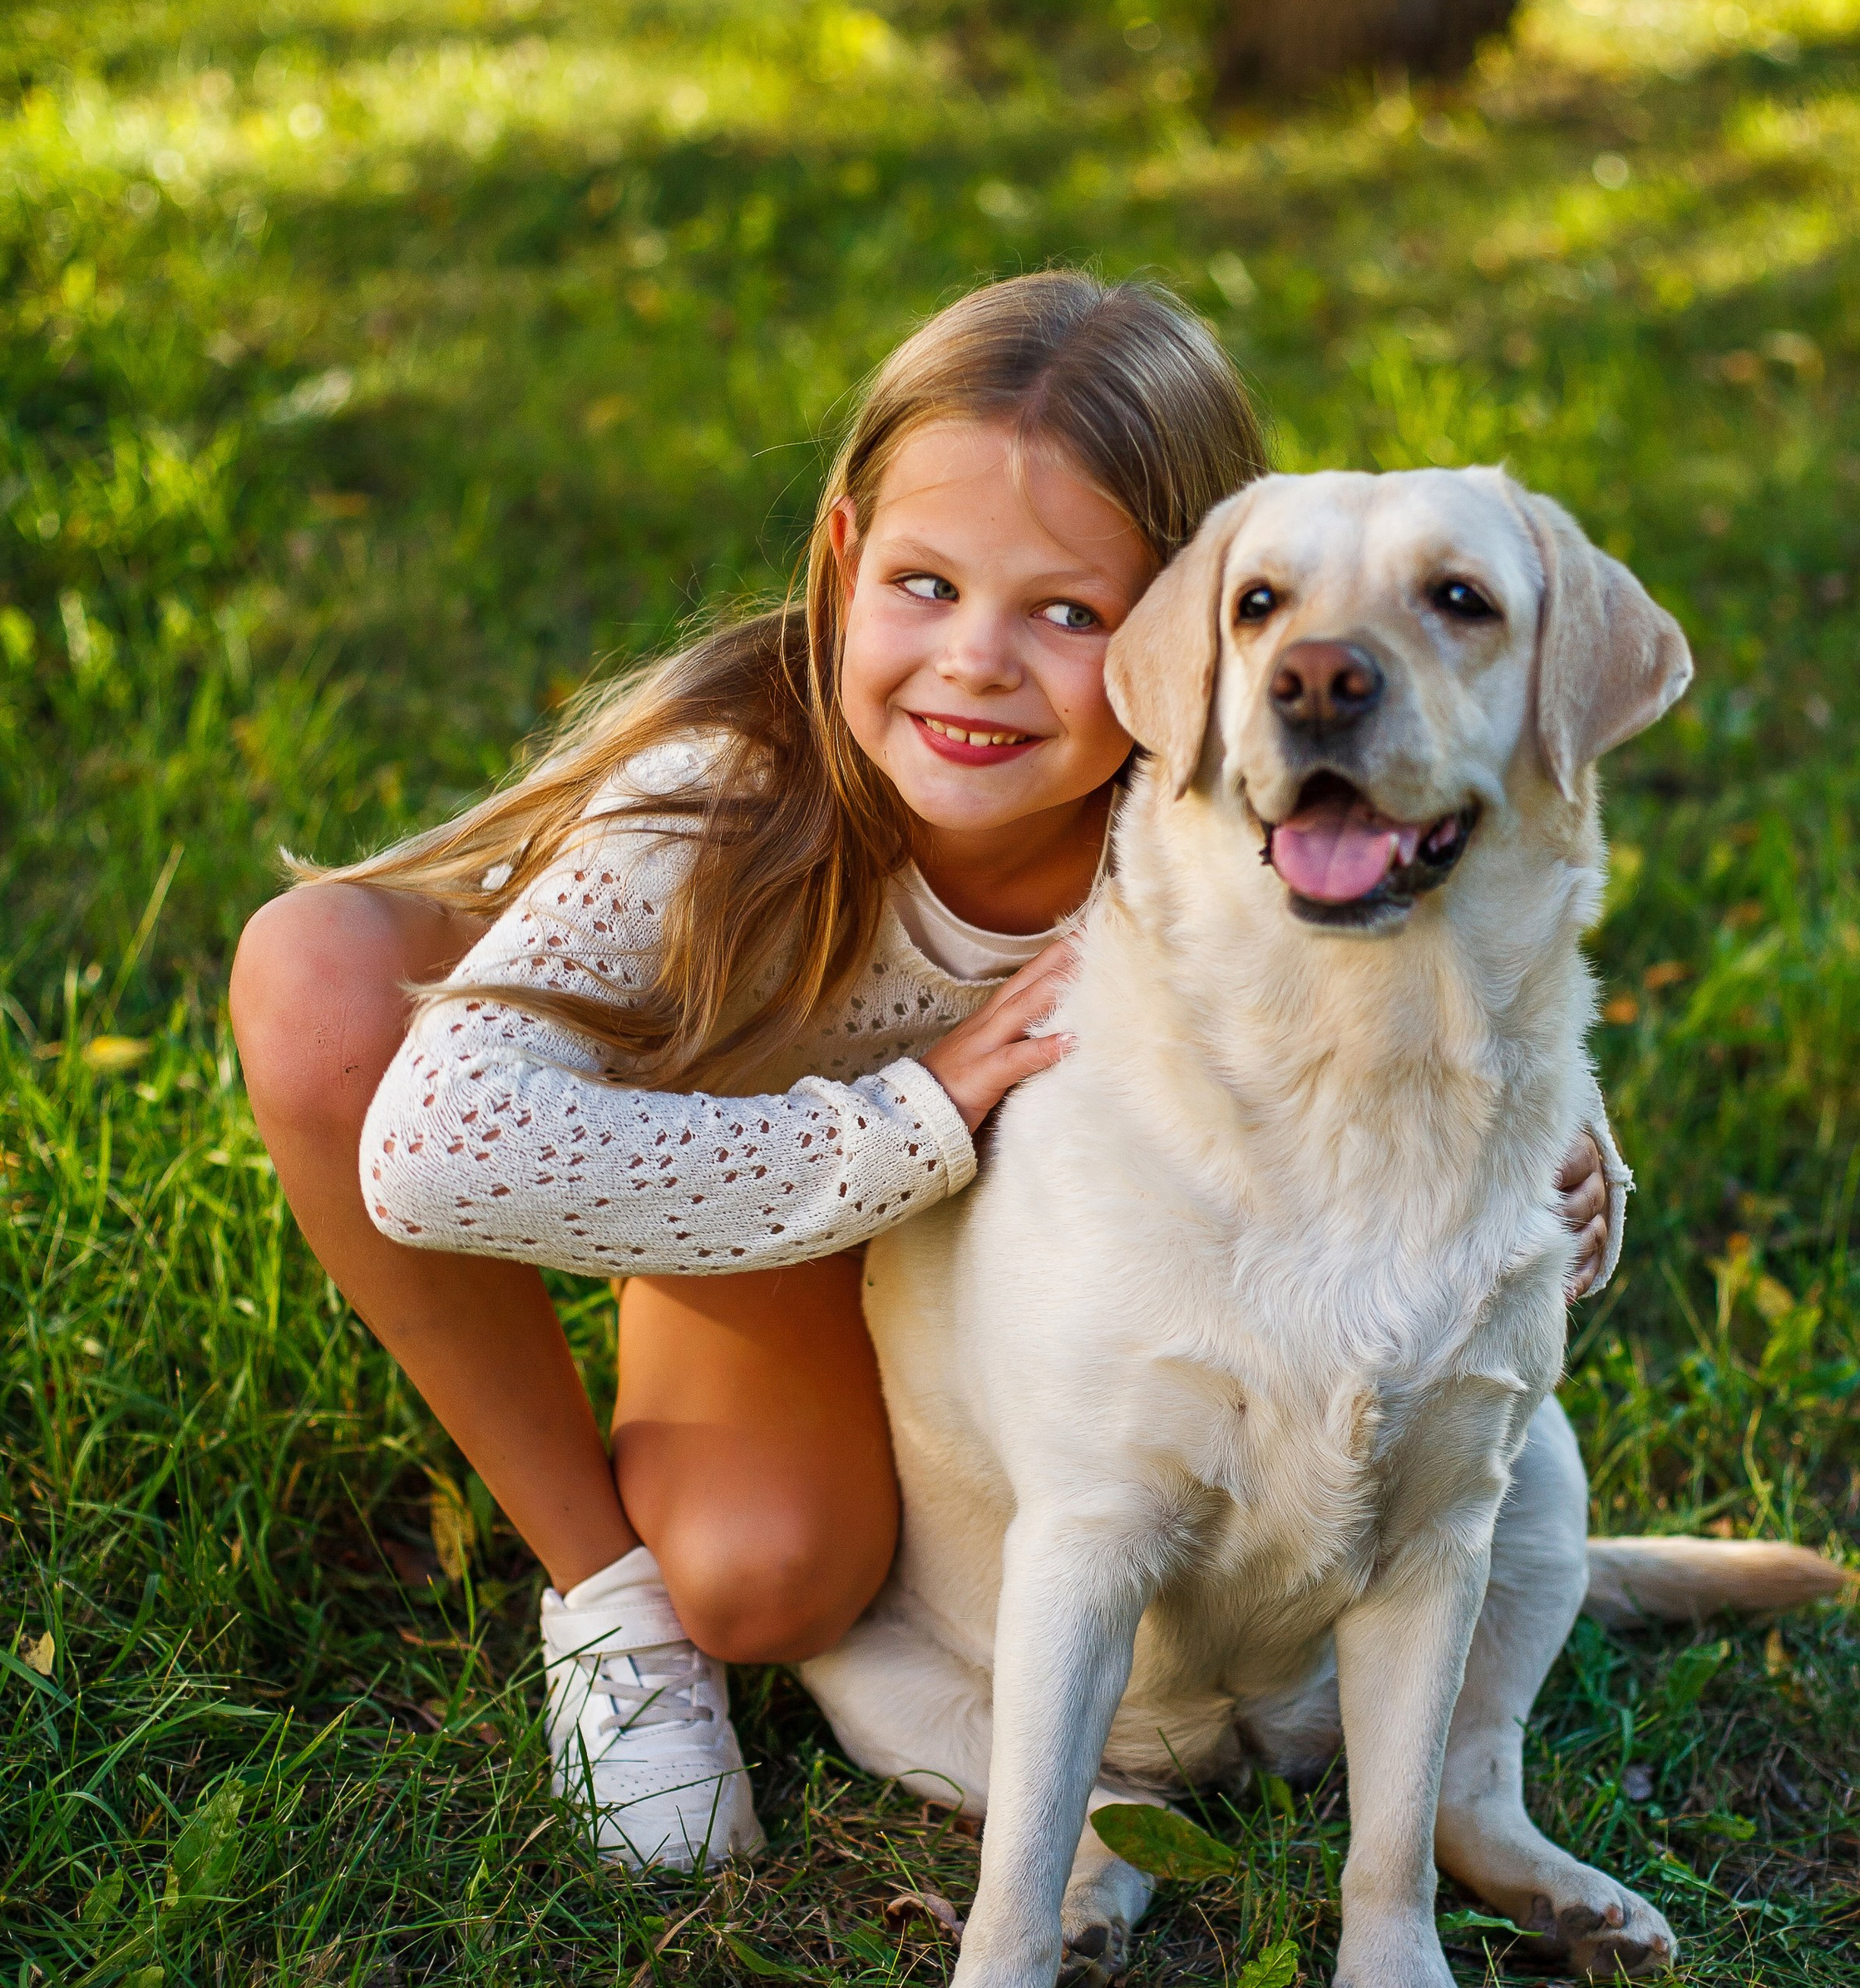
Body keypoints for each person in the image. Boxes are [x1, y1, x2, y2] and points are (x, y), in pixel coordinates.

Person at [231, 272, 1616, 1873]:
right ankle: (609, 1607)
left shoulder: (1208, 819)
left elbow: (1433, 970)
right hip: (739, 1184)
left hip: (983, 1287)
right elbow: (435, 1151)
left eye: (1069, 613)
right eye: (927, 584)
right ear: (841, 561)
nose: (977, 663)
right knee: (759, 1577)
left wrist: (1575, 1145)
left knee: (824, 1540)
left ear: (1186, 638)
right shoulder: (722, 799)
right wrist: (922, 1109)